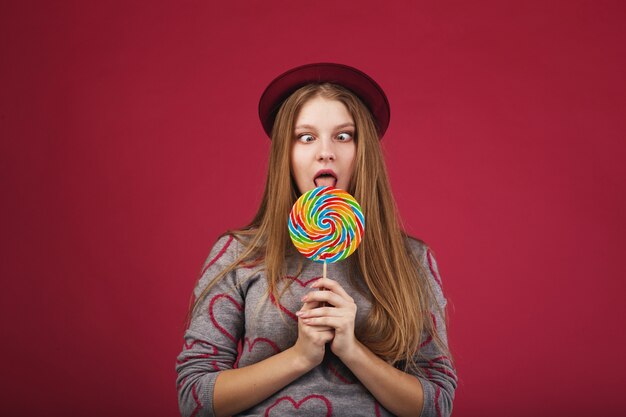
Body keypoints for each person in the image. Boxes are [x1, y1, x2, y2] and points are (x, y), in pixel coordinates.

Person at [176, 63, 457, 417]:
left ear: (362, 150)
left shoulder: (411, 259)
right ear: (286, 154)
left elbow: (437, 406)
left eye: (343, 136)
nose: (326, 152)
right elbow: (194, 397)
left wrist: (352, 349)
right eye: (306, 137)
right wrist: (300, 356)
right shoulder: (239, 253)